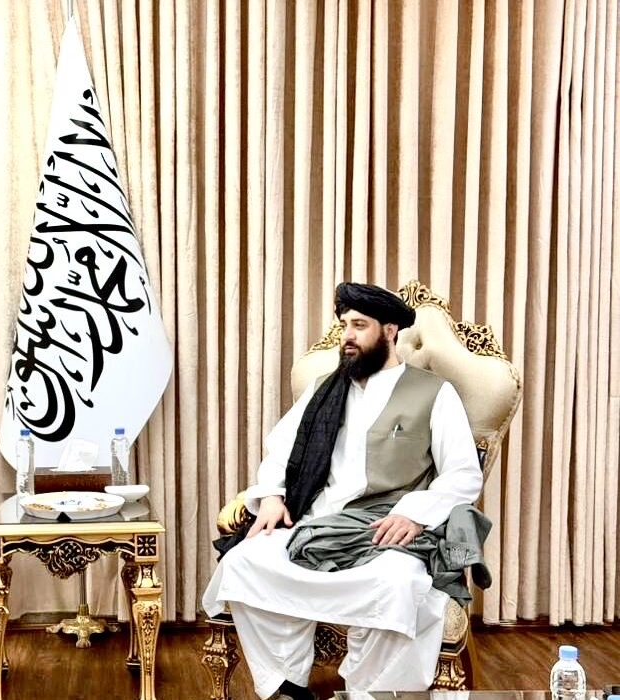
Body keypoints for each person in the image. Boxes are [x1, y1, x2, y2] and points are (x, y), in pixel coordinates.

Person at [203, 282, 483, 699]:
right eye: (344, 325)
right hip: (316, 524)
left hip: (386, 529)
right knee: (244, 562)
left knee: (398, 585)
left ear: (390, 331)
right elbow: (282, 450)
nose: (347, 336)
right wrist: (273, 495)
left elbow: (462, 473)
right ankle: (288, 683)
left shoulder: (433, 392)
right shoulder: (325, 389)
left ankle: (366, 692)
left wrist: (414, 513)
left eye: (359, 325)